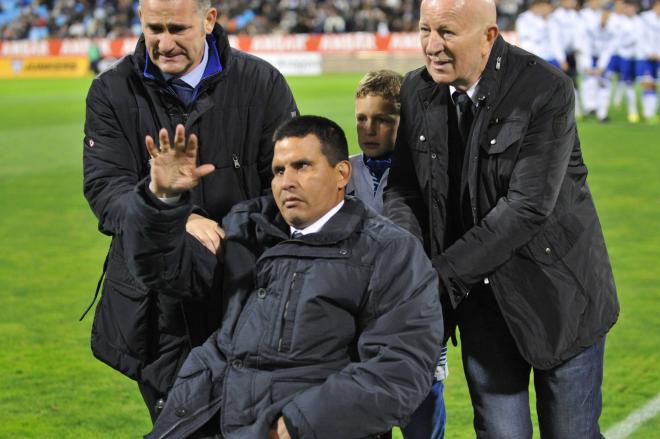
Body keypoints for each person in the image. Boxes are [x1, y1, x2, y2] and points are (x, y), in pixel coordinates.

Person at [120, 115, 444, 438]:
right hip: (207, 412)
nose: (286, 181)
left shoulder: (390, 251)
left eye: (302, 166)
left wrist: (296, 425)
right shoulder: (247, 227)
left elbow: (400, 369)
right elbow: (163, 272)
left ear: (341, 173)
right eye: (278, 170)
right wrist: (161, 201)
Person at [384, 0, 620, 437]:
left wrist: (437, 278)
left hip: (559, 296)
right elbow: (405, 188)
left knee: (570, 433)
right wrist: (409, 261)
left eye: (447, 33)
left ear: (489, 37)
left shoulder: (545, 90)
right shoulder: (417, 90)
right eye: (424, 30)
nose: (431, 46)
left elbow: (526, 207)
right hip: (480, 300)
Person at [82, 0, 297, 422]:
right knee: (178, 425)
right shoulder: (111, 91)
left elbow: (288, 191)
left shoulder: (262, 84)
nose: (164, 43)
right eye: (154, 28)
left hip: (244, 292)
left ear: (209, 20)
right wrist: (172, 214)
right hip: (155, 305)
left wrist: (225, 234)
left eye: (178, 28)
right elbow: (106, 192)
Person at [347, 69, 447, 439]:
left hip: (412, 328)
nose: (368, 128)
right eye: (361, 118)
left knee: (421, 422)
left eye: (382, 120)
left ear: (405, 123)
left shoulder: (427, 174)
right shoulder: (342, 172)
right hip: (359, 327)